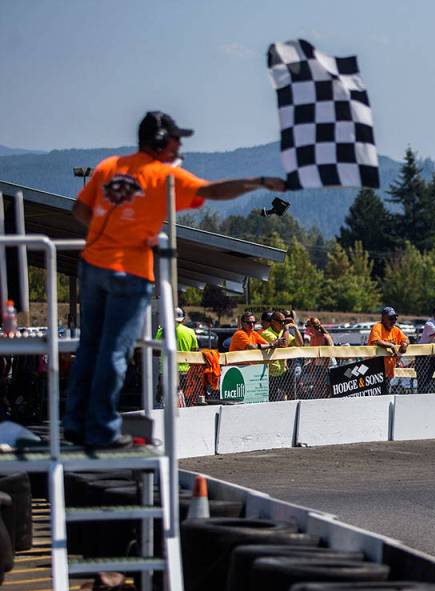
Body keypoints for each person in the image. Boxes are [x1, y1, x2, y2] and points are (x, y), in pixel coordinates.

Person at [66, 111, 285, 447]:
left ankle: (76, 421)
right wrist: (255, 182)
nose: (179, 144)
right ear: (159, 141)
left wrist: (106, 234)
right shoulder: (163, 176)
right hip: (132, 272)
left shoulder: (109, 167)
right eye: (175, 138)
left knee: (91, 345)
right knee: (116, 349)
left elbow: (80, 211)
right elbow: (212, 191)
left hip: (94, 265)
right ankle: (102, 427)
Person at [155, 307, 200, 403]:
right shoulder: (190, 332)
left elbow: (156, 351)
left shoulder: (162, 331)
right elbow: (195, 352)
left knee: (164, 398)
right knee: (184, 397)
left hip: (166, 371)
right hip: (184, 372)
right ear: (183, 319)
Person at [261, 311, 304, 400]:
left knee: (293, 394)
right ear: (273, 321)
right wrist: (286, 329)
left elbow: (300, 344)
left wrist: (295, 328)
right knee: (272, 398)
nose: (283, 323)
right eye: (281, 321)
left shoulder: (283, 332)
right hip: (270, 373)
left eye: (284, 321)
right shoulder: (266, 333)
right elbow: (283, 345)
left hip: (282, 371)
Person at [367, 306, 408, 390]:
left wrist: (405, 344)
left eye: (395, 318)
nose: (393, 321)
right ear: (384, 318)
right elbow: (376, 341)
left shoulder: (396, 330)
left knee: (386, 394)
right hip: (375, 371)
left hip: (388, 371)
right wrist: (391, 345)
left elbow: (405, 339)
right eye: (391, 318)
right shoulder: (377, 327)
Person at [302, 316, 334, 399]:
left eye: (307, 326)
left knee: (328, 388)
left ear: (312, 327)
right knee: (317, 387)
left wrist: (324, 369)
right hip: (318, 366)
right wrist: (312, 364)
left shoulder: (325, 337)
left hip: (329, 366)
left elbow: (329, 355)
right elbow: (313, 354)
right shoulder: (312, 338)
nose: (306, 328)